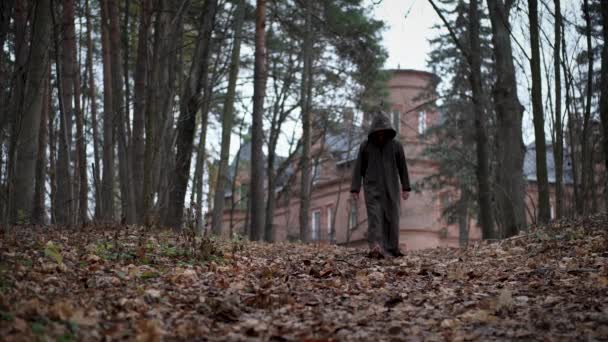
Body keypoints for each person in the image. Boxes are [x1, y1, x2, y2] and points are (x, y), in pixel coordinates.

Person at [350, 112, 411, 257]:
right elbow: (359, 168)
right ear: (374, 131)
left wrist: (405, 187)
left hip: (391, 187)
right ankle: (376, 246)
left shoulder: (396, 146)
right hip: (372, 187)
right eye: (378, 131)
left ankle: (392, 248)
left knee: (392, 217)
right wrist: (355, 188)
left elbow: (403, 167)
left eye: (384, 131)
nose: (381, 134)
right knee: (375, 216)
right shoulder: (365, 146)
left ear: (388, 130)